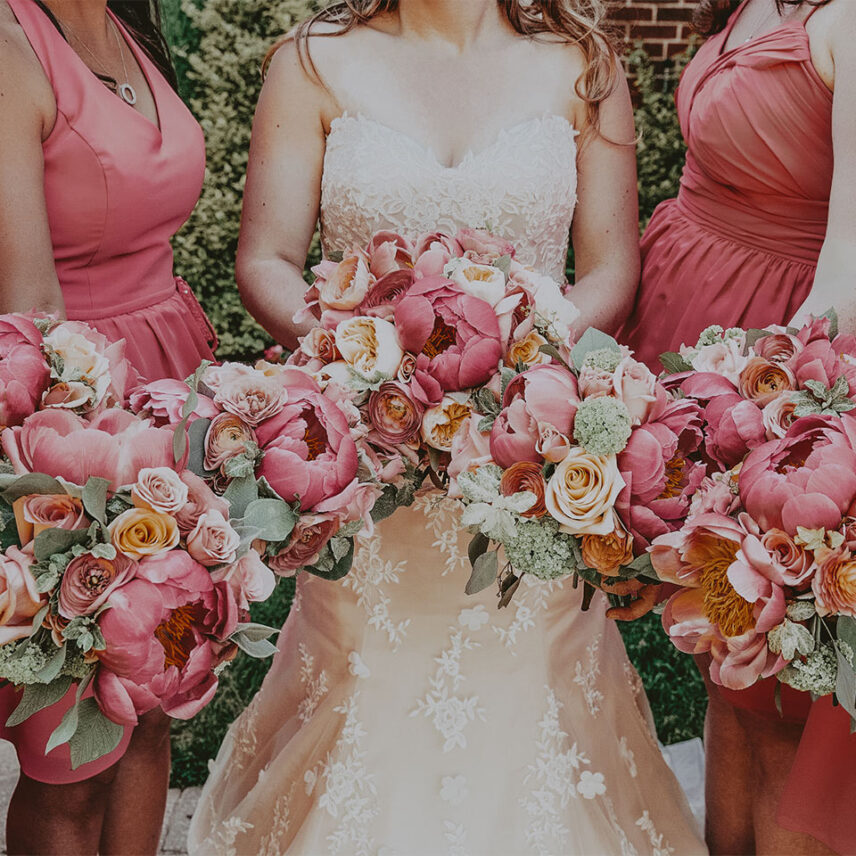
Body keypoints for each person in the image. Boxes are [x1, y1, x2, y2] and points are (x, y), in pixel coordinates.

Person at [188, 1, 707, 853]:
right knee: (368, 680)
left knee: (529, 688)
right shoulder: (313, 61)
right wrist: (368, 359)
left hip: (526, 461)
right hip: (376, 460)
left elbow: (611, 266)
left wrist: (520, 359)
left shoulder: (585, 65)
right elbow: (266, 259)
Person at [618, 0, 856, 852]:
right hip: (701, 367)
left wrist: (766, 411)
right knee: (729, 670)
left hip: (776, 380)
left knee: (780, 681)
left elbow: (850, 257)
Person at [0, 0, 217, 852]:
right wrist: (85, 474)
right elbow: (28, 305)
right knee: (74, 751)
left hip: (165, 402)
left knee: (148, 709)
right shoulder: (10, 48)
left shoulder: (125, 21)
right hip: (64, 421)